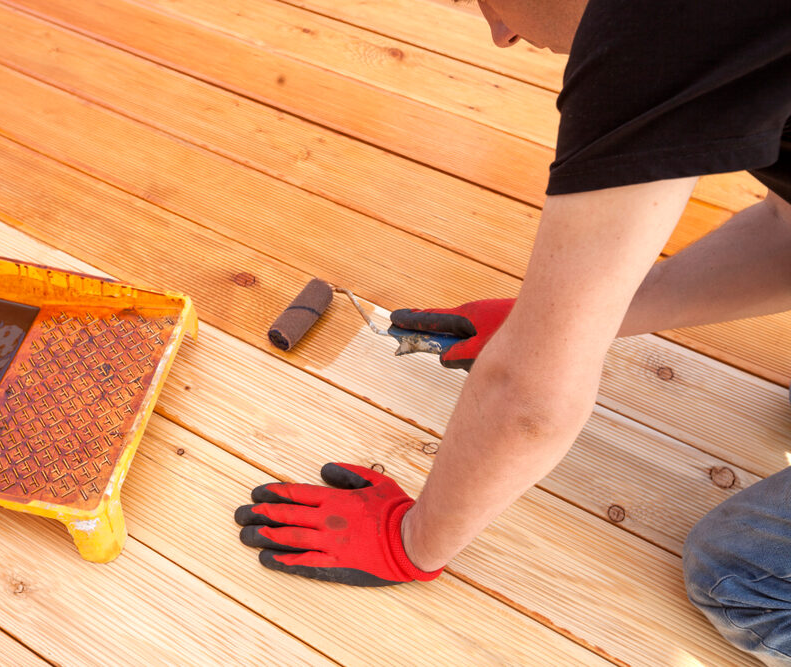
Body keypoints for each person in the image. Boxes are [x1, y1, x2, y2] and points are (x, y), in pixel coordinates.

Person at [235, 0, 791, 661]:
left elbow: (530, 404)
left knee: (743, 574)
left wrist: (410, 541)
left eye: (487, 0)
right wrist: (562, 318)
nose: (501, 34)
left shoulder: (655, 24)